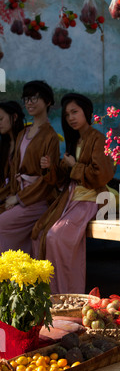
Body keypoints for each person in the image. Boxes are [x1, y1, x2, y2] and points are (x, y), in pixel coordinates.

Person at [32, 93, 115, 294]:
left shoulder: (98, 139)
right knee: (39, 234)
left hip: (91, 199)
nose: (71, 118)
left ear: (86, 112)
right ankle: (48, 296)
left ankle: (69, 296)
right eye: (67, 114)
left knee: (56, 236)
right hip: (71, 200)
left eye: (75, 112)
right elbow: (62, 178)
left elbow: (102, 175)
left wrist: (74, 166)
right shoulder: (74, 141)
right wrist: (49, 168)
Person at [0, 81, 60, 255]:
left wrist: (18, 198)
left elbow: (47, 180)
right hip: (18, 196)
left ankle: (11, 274)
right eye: (26, 98)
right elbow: (14, 172)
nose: (29, 102)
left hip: (37, 200)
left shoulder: (51, 136)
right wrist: (11, 196)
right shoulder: (22, 134)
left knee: (2, 224)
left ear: (48, 102)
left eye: (34, 98)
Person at [0, 101, 25, 211]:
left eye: (1, 119)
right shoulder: (5, 144)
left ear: (14, 117)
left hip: (19, 195)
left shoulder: (25, 142)